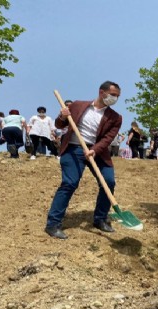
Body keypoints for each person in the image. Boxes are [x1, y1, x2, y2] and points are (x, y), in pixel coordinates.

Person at [45, 81, 122, 239]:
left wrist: (95, 149)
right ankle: (53, 224)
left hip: (97, 151)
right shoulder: (78, 105)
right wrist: (62, 116)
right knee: (70, 183)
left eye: (117, 96)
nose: (115, 98)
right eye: (113, 95)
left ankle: (100, 219)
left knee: (109, 181)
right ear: (102, 92)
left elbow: (108, 138)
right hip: (73, 149)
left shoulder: (115, 118)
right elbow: (59, 125)